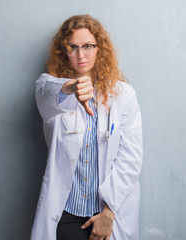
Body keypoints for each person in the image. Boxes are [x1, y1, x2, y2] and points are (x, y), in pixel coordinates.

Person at [30, 14, 143, 240]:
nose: (81, 54)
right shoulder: (51, 88)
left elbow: (131, 159)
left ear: (99, 48)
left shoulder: (123, 95)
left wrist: (108, 213)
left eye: (88, 46)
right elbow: (47, 94)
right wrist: (71, 87)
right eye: (73, 47)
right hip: (67, 213)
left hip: (106, 213)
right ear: (64, 51)